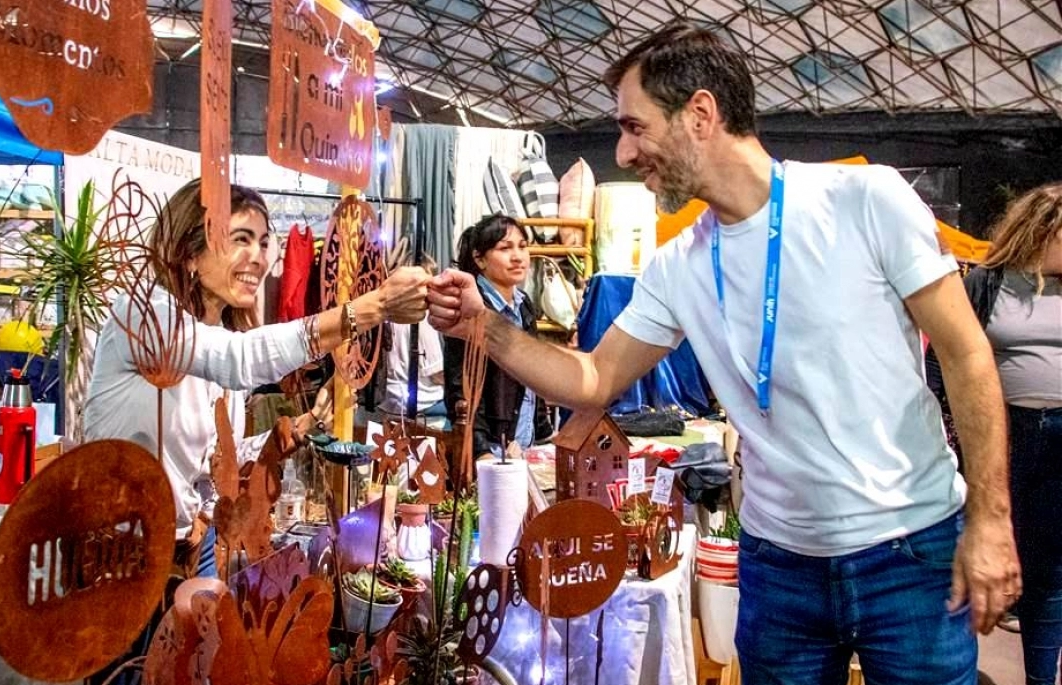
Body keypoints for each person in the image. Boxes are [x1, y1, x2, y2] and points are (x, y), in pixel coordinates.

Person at [427, 22, 1020, 685]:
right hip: (779, 566)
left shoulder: (865, 199)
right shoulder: (678, 263)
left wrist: (991, 520)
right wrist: (489, 329)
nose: (622, 152)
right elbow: (595, 376)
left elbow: (969, 357)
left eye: (634, 126)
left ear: (700, 115)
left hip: (911, 551)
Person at [83, 178, 429, 576]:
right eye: (241, 239)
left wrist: (303, 426)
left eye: (264, 243)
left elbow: (220, 455)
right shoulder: (144, 316)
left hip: (194, 546)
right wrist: (375, 306)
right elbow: (241, 359)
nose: (258, 258)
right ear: (190, 253)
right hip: (123, 552)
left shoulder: (221, 338)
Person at [929, 183, 1062, 683]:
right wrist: (951, 428)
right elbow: (942, 358)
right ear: (1041, 230)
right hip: (1010, 436)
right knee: (1006, 556)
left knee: (1049, 570)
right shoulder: (987, 284)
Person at [443, 215, 551, 460]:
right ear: (480, 258)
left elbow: (533, 377)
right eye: (505, 248)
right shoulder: (472, 306)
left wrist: (543, 433)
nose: (517, 256)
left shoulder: (524, 305)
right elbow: (461, 386)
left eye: (522, 247)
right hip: (491, 448)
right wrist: (481, 451)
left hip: (523, 444)